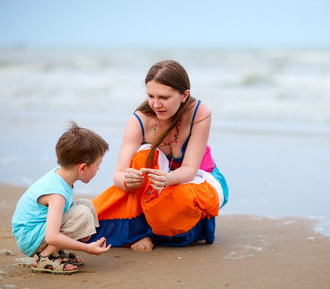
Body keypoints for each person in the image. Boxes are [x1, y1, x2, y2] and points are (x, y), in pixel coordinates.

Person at [89, 60, 228, 251]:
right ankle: (145, 233)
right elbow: (119, 174)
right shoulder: (140, 120)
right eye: (150, 96)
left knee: (178, 200)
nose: (155, 104)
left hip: (194, 179)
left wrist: (168, 179)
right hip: (154, 185)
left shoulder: (199, 113)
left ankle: (157, 231)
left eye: (164, 97)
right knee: (140, 160)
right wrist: (128, 181)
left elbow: (189, 169)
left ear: (184, 95)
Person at [12, 121, 111, 274]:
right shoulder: (56, 194)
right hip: (30, 237)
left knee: (86, 205)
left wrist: (83, 230)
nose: (98, 169)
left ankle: (55, 252)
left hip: (37, 229)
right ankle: (45, 257)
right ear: (83, 168)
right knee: (82, 215)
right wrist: (87, 248)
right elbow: (51, 237)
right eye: (98, 165)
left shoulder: (60, 175)